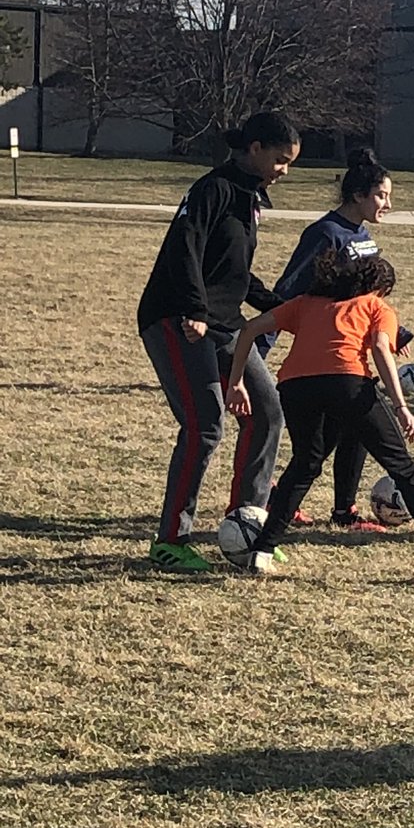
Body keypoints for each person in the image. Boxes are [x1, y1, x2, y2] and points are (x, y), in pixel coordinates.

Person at [225, 250, 414, 586]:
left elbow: (251, 328)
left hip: (296, 387)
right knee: (402, 468)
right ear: (380, 289)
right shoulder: (376, 306)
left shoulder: (308, 303)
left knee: (304, 465)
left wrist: (237, 381)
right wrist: (401, 406)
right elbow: (381, 348)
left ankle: (262, 552)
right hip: (348, 383)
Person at [138, 111, 301, 571]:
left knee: (268, 411)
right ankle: (171, 540)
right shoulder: (213, 189)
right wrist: (193, 310)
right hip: (177, 318)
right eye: (280, 160)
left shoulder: (251, 197)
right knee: (205, 423)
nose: (284, 170)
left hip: (225, 323)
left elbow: (232, 269)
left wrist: (279, 307)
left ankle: (248, 523)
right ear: (254, 149)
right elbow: (184, 247)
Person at [259, 147, 411, 533]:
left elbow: (366, 292)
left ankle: (342, 508)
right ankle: (284, 501)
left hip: (355, 355)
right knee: (320, 442)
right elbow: (288, 290)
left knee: (349, 432)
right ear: (358, 195)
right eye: (381, 195)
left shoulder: (362, 234)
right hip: (326, 355)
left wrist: (395, 331)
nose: (388, 204)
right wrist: (262, 346)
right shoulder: (324, 233)